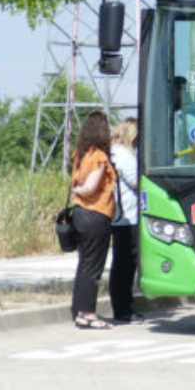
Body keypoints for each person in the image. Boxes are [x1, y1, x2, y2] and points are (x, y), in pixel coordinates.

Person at [69, 111, 117, 330]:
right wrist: (81, 190)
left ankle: (78, 311)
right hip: (96, 214)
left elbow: (78, 184)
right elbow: (91, 187)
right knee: (93, 267)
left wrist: (76, 191)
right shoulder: (99, 156)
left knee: (83, 264)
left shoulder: (80, 155)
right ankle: (88, 313)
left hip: (79, 215)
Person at [109, 119, 143, 324]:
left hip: (118, 216)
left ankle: (122, 307)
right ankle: (123, 309)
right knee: (125, 265)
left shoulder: (113, 151)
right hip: (128, 217)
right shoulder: (124, 155)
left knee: (121, 264)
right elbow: (137, 182)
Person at [173, 76, 195, 164]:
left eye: (186, 91)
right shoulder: (161, 119)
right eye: (183, 90)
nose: (187, 95)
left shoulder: (191, 122)